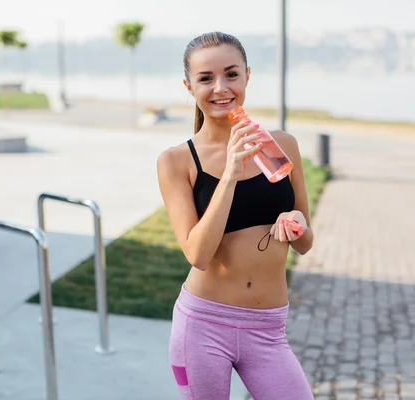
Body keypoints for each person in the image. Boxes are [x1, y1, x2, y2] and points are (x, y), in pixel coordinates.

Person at [156, 31, 315, 400]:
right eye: (205, 78)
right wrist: (229, 172)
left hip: (268, 329)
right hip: (203, 327)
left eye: (231, 74)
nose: (220, 88)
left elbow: (306, 243)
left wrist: (297, 225)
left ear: (247, 76)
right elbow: (197, 255)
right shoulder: (177, 161)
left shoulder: (281, 145)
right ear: (188, 86)